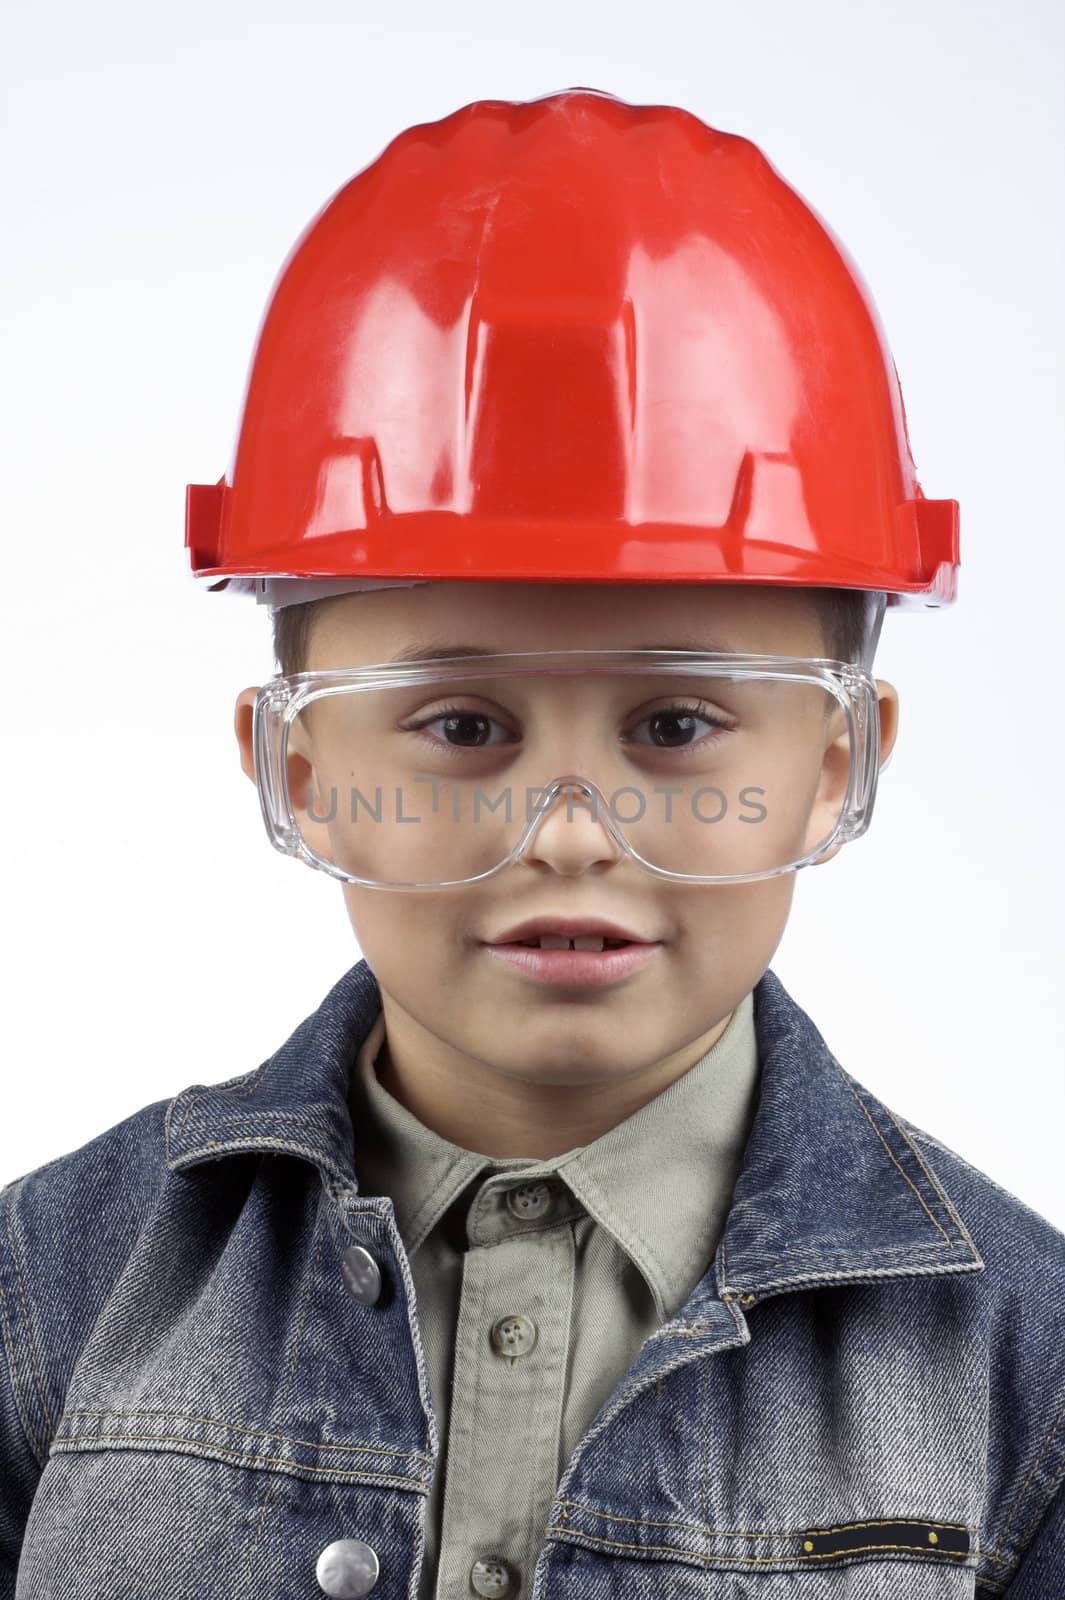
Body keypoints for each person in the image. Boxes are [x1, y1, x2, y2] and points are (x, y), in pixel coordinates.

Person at [1, 87, 1061, 1600]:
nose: (570, 831)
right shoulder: (57, 1289)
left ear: (836, 762)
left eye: (678, 726)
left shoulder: (1023, 1375)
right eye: (461, 727)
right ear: (295, 764)